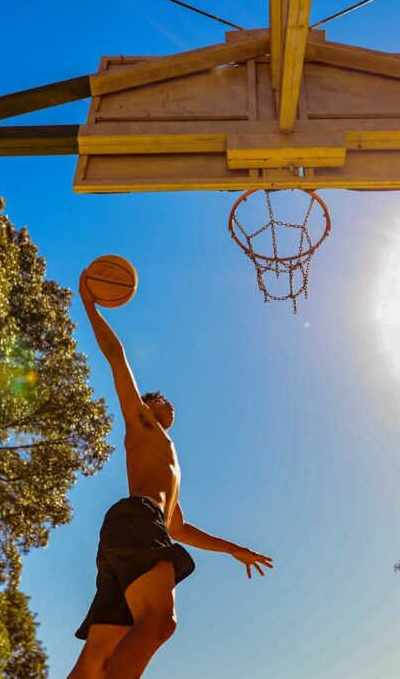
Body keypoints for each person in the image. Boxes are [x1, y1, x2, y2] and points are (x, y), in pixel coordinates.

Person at [69, 267, 273, 679]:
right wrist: (90, 306)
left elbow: (177, 528)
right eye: (164, 400)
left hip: (137, 528)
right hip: (136, 519)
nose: (172, 405)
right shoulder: (141, 422)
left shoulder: (169, 458)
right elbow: (115, 356)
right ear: (150, 405)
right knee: (159, 623)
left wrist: (234, 549)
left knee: (97, 659)